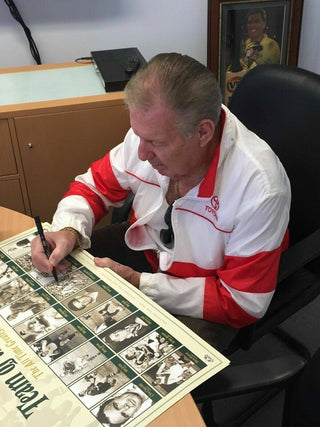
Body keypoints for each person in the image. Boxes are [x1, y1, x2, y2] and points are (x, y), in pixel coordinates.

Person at [31, 53, 290, 352]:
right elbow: (93, 186)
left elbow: (242, 302)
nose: (141, 153)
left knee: (123, 374)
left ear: (203, 132)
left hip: (207, 292)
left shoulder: (260, 187)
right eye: (139, 135)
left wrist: (142, 284)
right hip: (150, 250)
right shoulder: (148, 134)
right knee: (45, 290)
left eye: (156, 143)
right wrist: (68, 229)